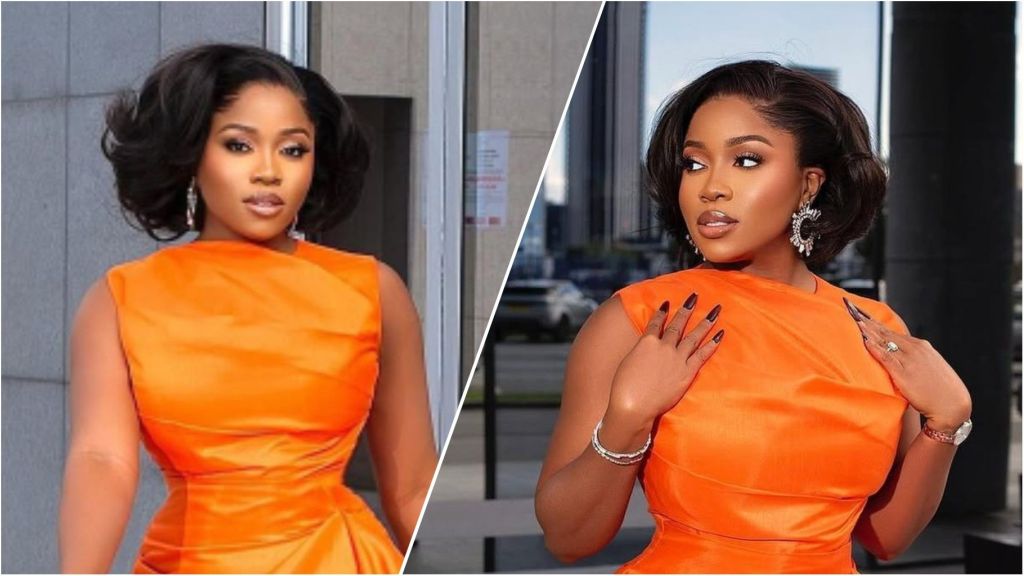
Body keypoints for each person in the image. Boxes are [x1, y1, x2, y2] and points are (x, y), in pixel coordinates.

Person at [534, 60, 973, 573]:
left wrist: (947, 423)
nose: (711, 187)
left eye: (745, 160)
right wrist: (627, 420)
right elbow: (568, 540)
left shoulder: (877, 330)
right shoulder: (638, 320)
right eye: (694, 164)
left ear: (809, 184)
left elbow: (886, 538)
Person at [58, 44, 438, 573]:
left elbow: (415, 486)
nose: (268, 171)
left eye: (293, 150)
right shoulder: (119, 299)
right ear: (193, 154)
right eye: (239, 145)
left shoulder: (373, 291)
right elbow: (102, 460)